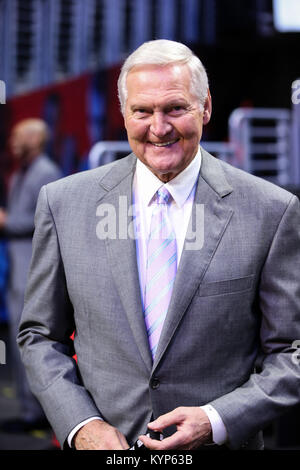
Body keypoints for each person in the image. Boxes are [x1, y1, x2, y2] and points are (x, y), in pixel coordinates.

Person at [17, 40, 300, 450]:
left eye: (175, 108)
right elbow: (41, 336)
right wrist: (82, 426)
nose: (159, 127)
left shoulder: (270, 211)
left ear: (205, 108)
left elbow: (291, 351)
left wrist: (216, 420)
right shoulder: (64, 205)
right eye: (143, 111)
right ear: (124, 114)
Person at [0, 118, 62, 432]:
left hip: (32, 270)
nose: (12, 142)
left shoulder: (46, 172)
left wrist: (5, 220)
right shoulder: (20, 174)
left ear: (34, 139)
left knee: (31, 343)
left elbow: (43, 221)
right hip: (15, 268)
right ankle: (27, 410)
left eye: (17, 136)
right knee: (15, 341)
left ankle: (36, 412)